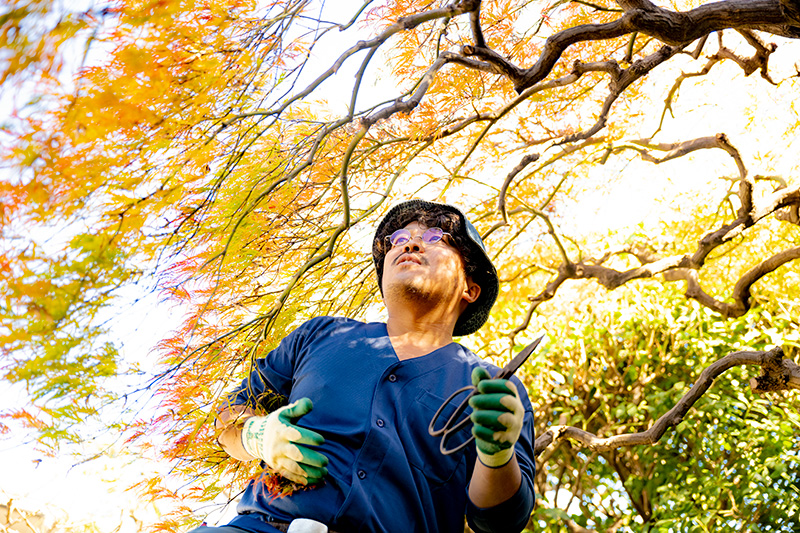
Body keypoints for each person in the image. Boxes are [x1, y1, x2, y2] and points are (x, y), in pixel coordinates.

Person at [190, 200, 536, 533]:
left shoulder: (494, 389)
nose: (411, 243)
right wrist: (255, 435)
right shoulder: (319, 335)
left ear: (470, 289)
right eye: (399, 239)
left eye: (436, 237)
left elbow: (501, 522)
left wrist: (497, 456)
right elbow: (229, 414)